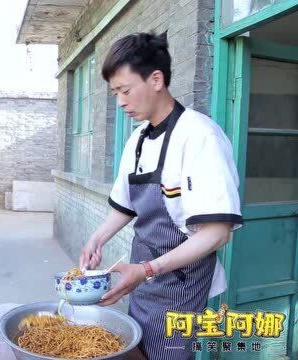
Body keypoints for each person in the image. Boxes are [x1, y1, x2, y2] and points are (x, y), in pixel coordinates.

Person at [79, 33, 242, 360]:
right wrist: (97, 238)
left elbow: (216, 233)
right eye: (115, 93)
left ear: (156, 79)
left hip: (181, 285)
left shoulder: (200, 136)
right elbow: (124, 206)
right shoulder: (137, 140)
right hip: (143, 280)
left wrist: (148, 269)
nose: (120, 102)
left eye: (124, 91)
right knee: (136, 349)